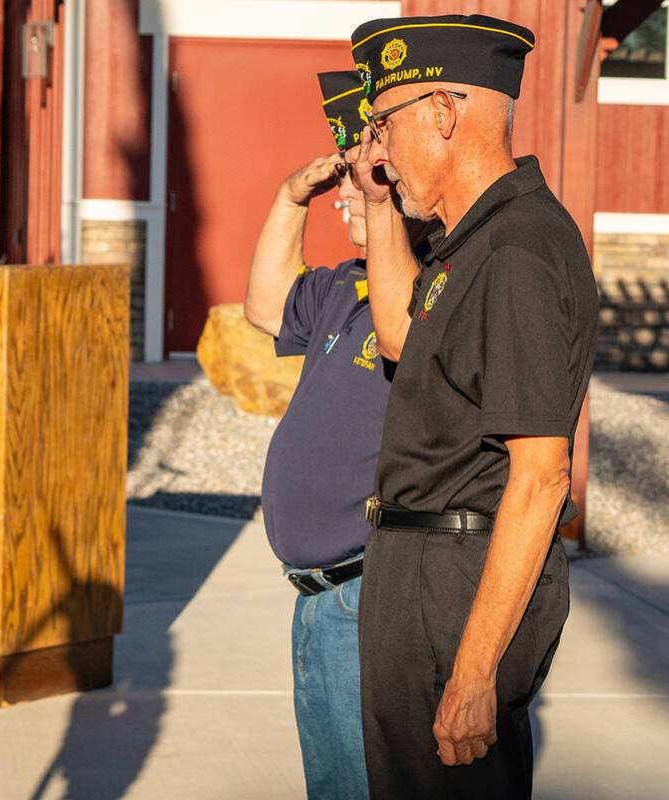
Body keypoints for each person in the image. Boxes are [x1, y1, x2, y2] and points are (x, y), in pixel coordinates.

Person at [347, 15, 599, 798]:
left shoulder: (515, 251)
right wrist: (379, 208)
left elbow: (539, 477)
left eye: (383, 125)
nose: (377, 150)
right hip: (422, 572)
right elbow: (398, 339)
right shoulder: (468, 242)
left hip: (453, 584)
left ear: (443, 114)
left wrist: (473, 670)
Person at [245, 70, 430, 800]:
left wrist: (378, 199)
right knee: (335, 787)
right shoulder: (342, 286)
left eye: (359, 179)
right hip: (317, 597)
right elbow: (263, 306)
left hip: (364, 592)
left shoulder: (421, 292)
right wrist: (289, 197)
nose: (344, 194)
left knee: (364, 786)